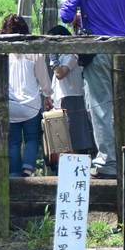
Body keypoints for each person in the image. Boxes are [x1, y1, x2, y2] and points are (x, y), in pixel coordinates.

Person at [57, 0, 125, 179]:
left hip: (98, 51)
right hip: (124, 50)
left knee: (102, 108)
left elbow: (65, 15)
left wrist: (83, 15)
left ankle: (108, 164)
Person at [0, 13, 52, 177]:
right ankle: (28, 171)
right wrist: (49, 95)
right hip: (31, 106)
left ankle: (14, 175)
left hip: (10, 105)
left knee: (13, 142)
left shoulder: (2, 52)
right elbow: (43, 78)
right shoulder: (34, 51)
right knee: (32, 138)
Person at [46, 24, 95, 158]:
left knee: (73, 138)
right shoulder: (63, 56)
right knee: (63, 139)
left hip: (71, 99)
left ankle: (75, 165)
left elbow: (60, 74)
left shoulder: (71, 56)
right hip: (62, 99)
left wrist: (53, 60)